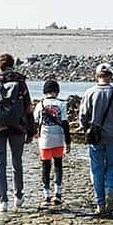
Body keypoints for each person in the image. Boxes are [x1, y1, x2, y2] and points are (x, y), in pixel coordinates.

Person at [0, 53, 37, 213]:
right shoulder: (21, 83)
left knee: (0, 165)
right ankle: (18, 197)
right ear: (13, 65)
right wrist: (31, 130)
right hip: (18, 127)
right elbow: (28, 108)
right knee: (17, 162)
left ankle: (2, 201)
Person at [79, 62, 113, 218]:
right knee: (112, 166)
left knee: (97, 170)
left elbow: (83, 116)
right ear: (111, 76)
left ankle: (100, 204)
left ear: (96, 76)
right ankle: (110, 189)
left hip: (95, 137)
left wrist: (86, 130)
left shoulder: (89, 93)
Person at [34, 79, 69, 207]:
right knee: (58, 165)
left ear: (45, 91)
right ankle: (58, 194)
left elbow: (35, 121)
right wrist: (68, 141)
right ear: (57, 91)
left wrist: (33, 134)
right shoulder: (62, 104)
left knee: (45, 167)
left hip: (44, 139)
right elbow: (65, 124)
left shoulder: (40, 104)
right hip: (58, 139)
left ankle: (46, 195)